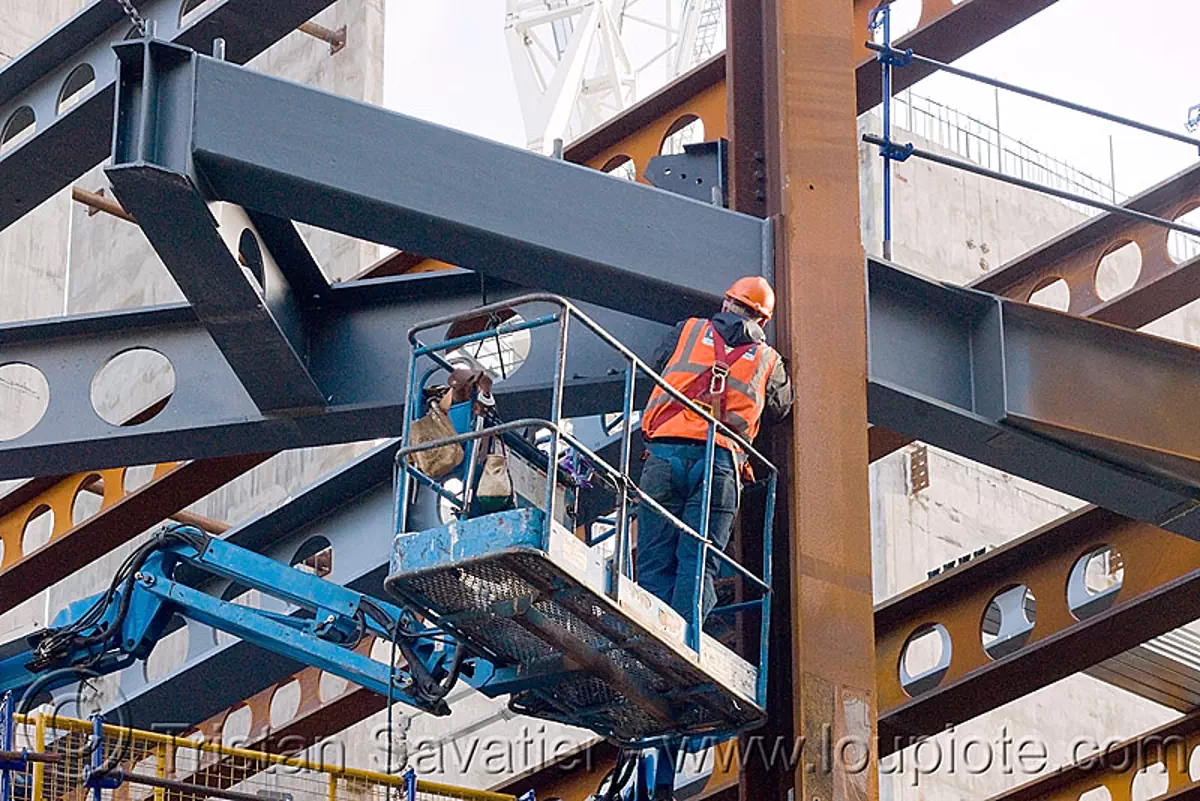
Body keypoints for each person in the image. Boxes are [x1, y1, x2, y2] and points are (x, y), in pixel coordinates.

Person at [636, 276, 793, 625]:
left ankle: (649, 633)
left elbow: (658, 363)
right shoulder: (769, 360)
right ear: (763, 321)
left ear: (726, 303)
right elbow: (781, 408)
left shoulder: (688, 331)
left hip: (665, 453)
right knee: (698, 563)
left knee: (653, 557)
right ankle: (684, 638)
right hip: (720, 465)